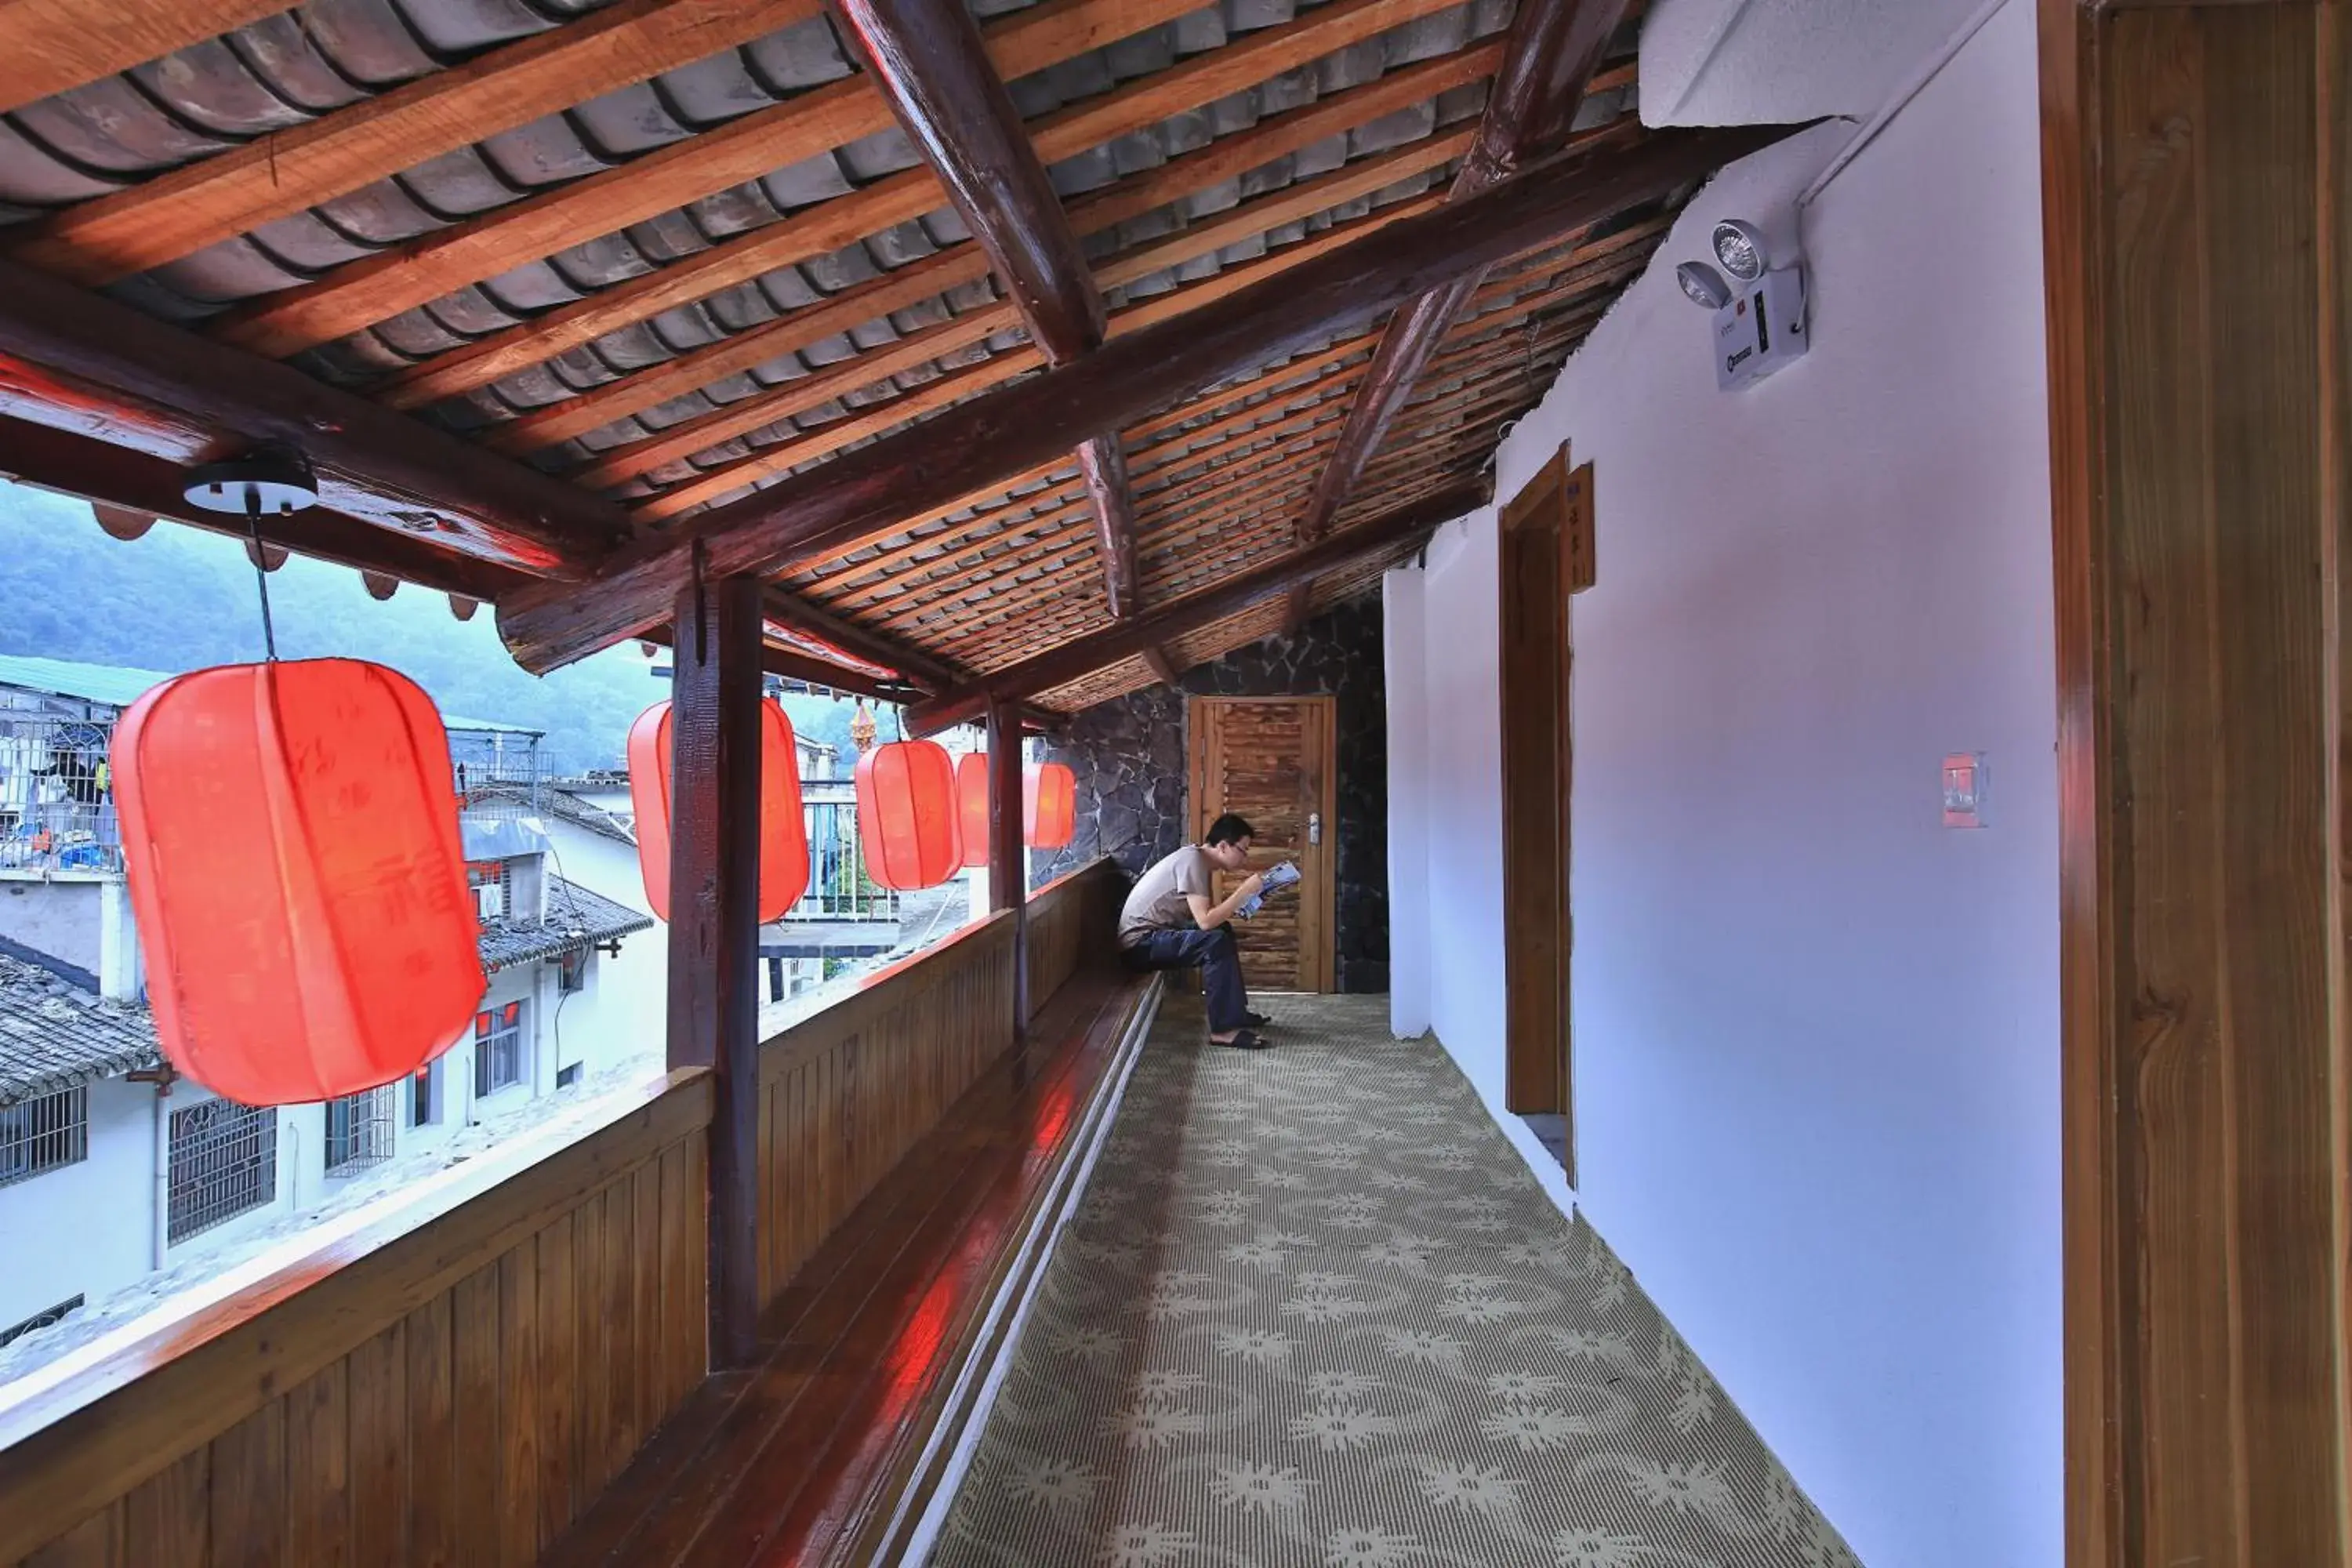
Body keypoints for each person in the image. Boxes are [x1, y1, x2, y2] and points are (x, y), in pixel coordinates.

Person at [1117, 814, 1276, 1049]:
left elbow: (1208, 918)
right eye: (1243, 850)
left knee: (1222, 930)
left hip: (1155, 936)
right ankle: (1223, 1030)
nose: (1245, 857)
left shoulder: (1197, 860)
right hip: (1140, 945)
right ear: (1223, 846)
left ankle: (1236, 1014)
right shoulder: (1193, 862)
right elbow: (1205, 922)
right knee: (1215, 942)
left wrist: (1247, 901)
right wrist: (1242, 891)